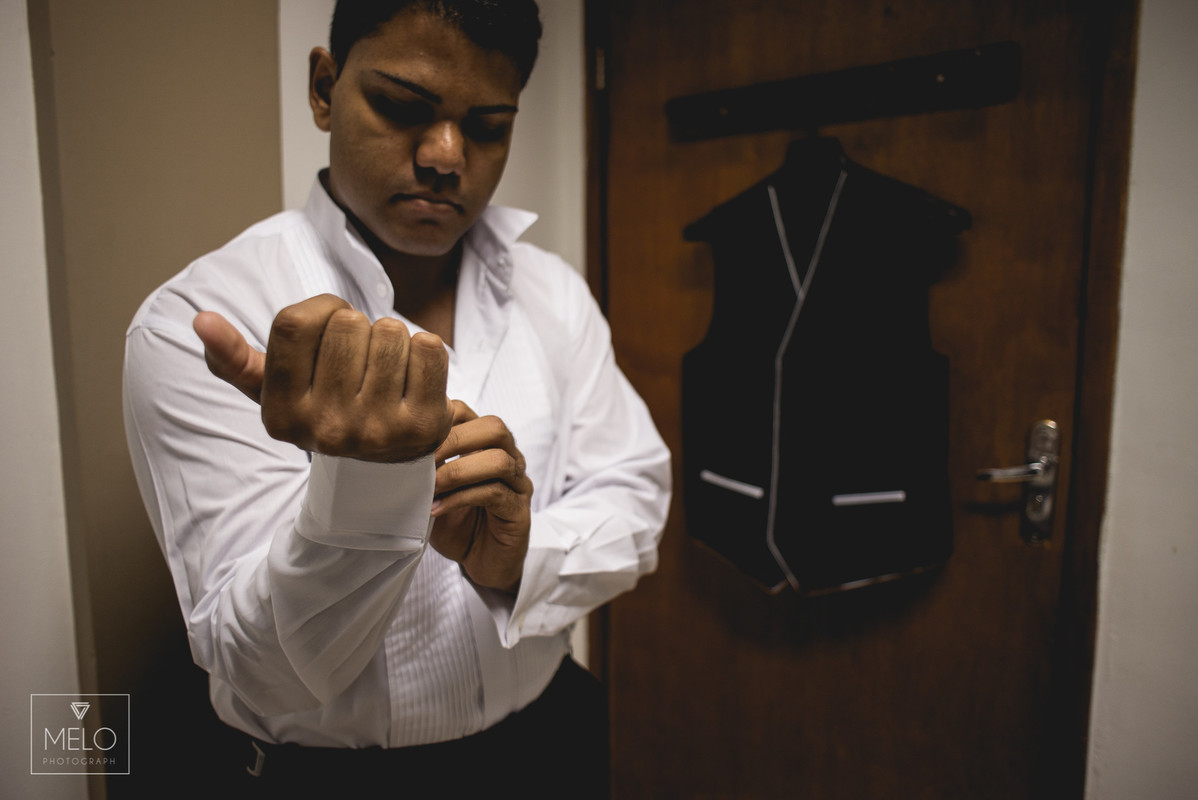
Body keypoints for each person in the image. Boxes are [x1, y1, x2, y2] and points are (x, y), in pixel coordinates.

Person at [121, 0, 670, 795]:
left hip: (554, 741)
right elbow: (263, 672)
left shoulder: (556, 295)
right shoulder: (200, 321)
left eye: (487, 125)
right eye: (403, 107)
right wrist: (369, 485)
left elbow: (635, 496)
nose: (447, 155)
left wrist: (521, 560)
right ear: (323, 87)